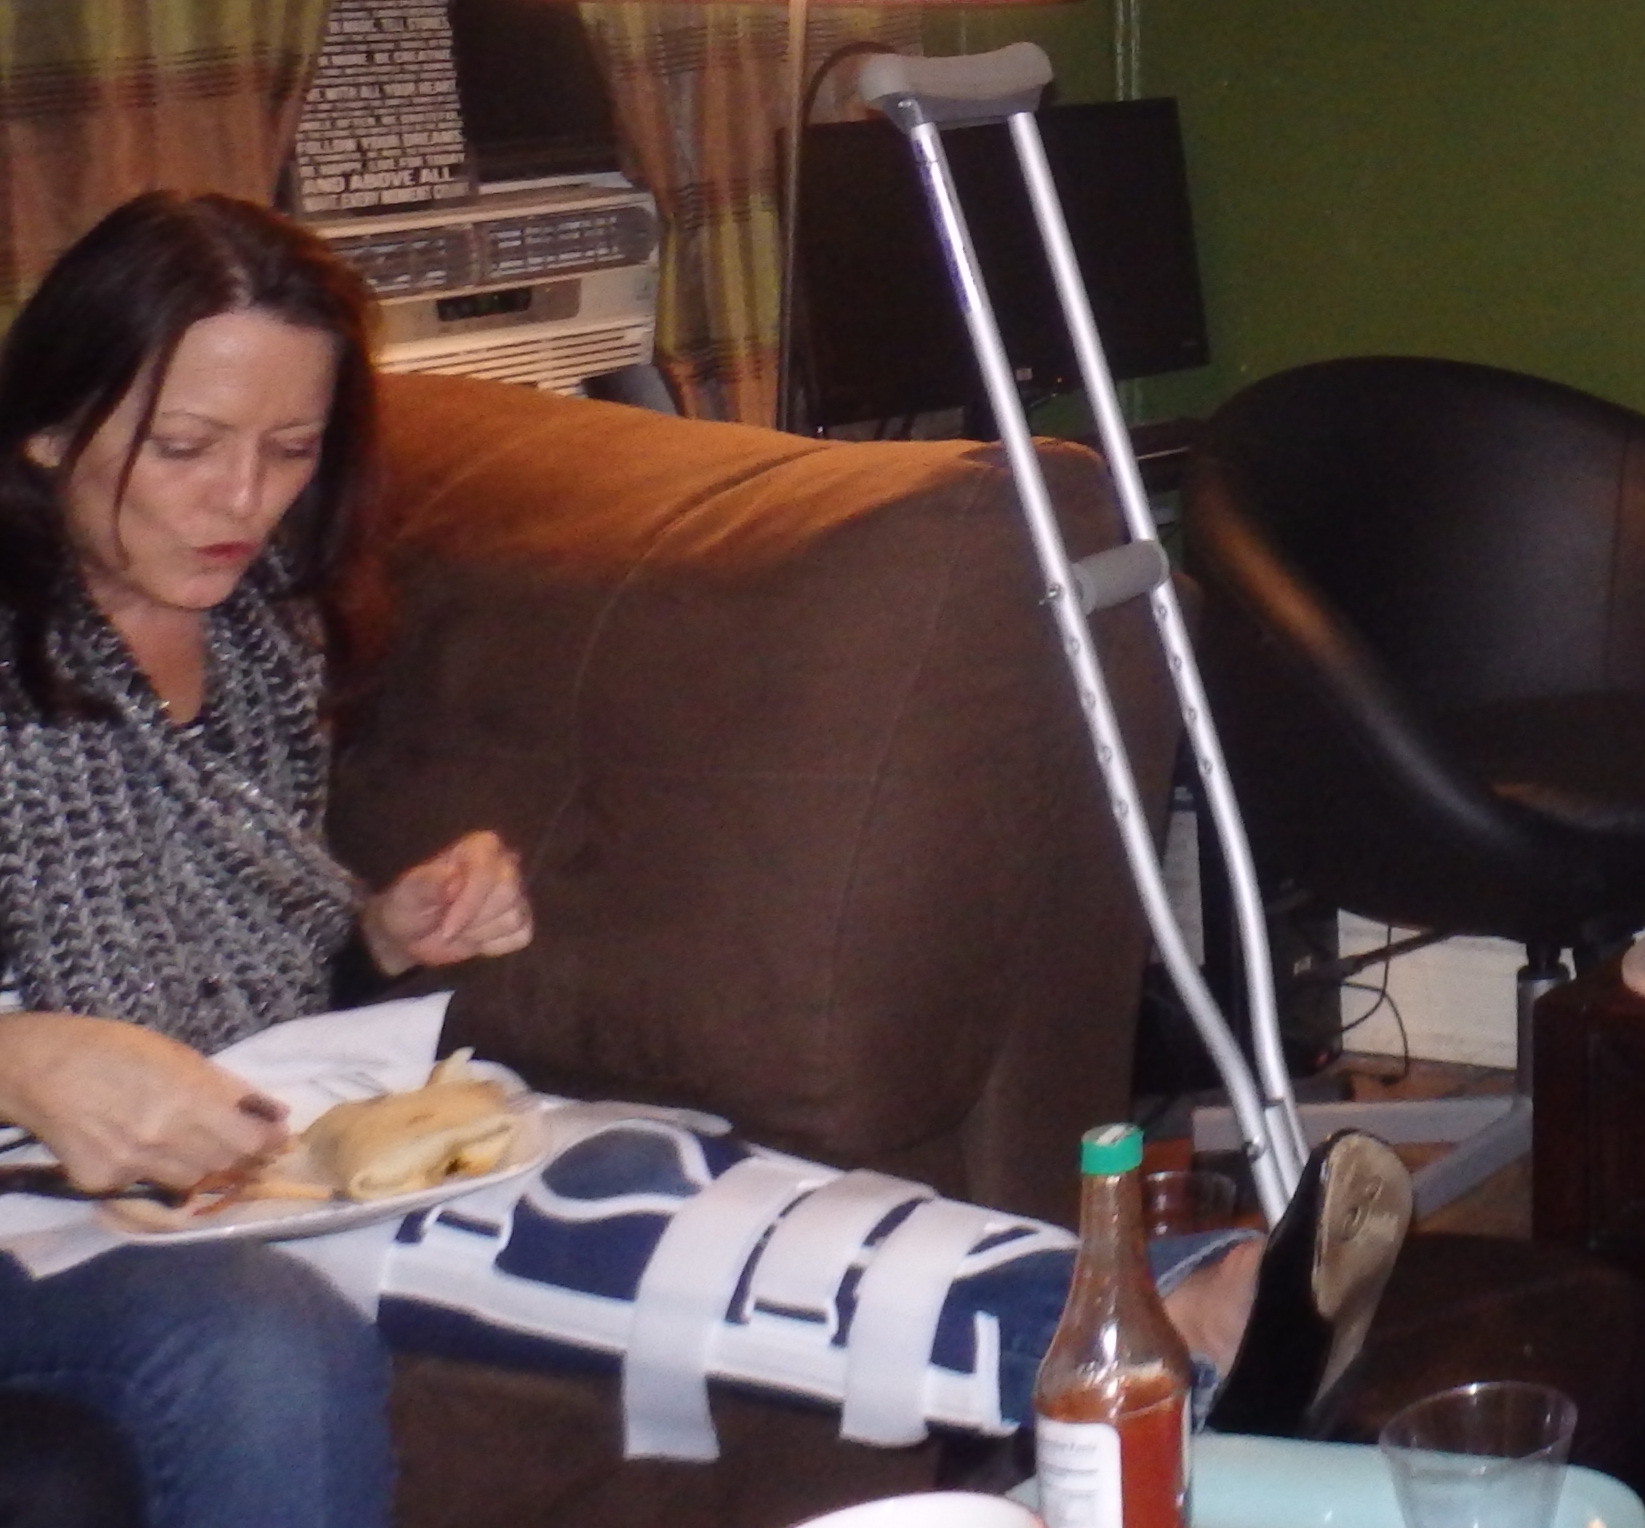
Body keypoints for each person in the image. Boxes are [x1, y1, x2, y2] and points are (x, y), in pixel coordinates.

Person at [0, 189, 1400, 1528]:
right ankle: (1155, 1333)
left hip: (241, 1131)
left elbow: (242, 964)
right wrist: (30, 1061)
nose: (242, 499)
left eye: (291, 450)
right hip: (37, 1209)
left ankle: (1166, 1317)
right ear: (53, 429)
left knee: (609, 1172)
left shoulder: (260, 631)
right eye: (185, 448)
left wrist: (381, 933)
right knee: (263, 1330)